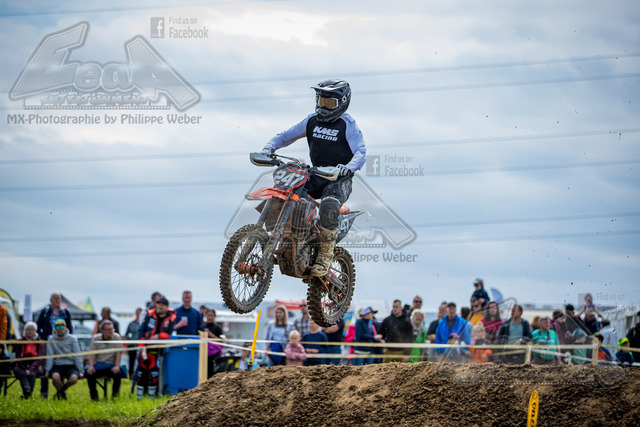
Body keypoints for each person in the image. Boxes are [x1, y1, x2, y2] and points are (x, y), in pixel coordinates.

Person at [261, 79, 366, 277]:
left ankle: (325, 254)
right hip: (316, 173)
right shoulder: (311, 121)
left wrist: (348, 167)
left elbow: (361, 152)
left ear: (342, 102)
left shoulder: (348, 125)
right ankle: (283, 241)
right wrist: (268, 149)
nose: (324, 106)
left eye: (330, 102)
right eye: (321, 101)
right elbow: (284, 136)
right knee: (285, 192)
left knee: (328, 205)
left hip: (338, 178)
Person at [136, 297, 176, 399]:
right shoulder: (150, 314)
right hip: (146, 348)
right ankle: (139, 397)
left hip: (160, 350)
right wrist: (141, 345)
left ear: (166, 307)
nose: (159, 307)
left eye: (162, 305)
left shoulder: (171, 317)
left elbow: (170, 334)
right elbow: (142, 330)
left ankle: (152, 397)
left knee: (154, 373)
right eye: (158, 304)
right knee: (141, 372)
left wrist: (159, 335)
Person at [36, 292, 73, 399]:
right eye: (55, 298)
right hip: (47, 342)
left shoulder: (65, 312)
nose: (57, 301)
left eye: (59, 299)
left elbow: (70, 327)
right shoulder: (45, 311)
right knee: (45, 367)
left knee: (60, 364)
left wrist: (67, 339)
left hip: (61, 343)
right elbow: (38, 326)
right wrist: (42, 338)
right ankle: (44, 393)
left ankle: (60, 392)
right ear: (51, 300)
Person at [85, 320, 126, 401]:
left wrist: (117, 366)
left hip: (111, 365)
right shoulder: (96, 338)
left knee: (118, 373)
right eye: (108, 330)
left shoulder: (117, 337)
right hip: (98, 365)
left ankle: (115, 396)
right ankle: (94, 397)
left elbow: (119, 353)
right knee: (88, 372)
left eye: (112, 329)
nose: (111, 331)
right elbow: (92, 353)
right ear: (102, 331)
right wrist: (91, 366)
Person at [45, 319, 82, 400]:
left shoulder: (73, 338)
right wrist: (47, 371)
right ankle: (63, 395)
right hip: (57, 365)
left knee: (73, 379)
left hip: (71, 365)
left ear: (65, 328)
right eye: (57, 327)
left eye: (62, 327)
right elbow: (50, 356)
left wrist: (80, 371)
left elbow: (77, 355)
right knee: (55, 378)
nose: (60, 329)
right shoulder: (51, 339)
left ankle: (61, 392)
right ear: (55, 329)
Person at [13, 321, 45, 399]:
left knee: (31, 374)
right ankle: (27, 391)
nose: (30, 331)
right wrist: (25, 369)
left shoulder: (39, 343)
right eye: (28, 329)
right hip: (21, 365)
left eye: (31, 329)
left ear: (35, 331)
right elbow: (18, 357)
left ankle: (27, 393)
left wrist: (30, 369)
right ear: (25, 330)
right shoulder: (20, 342)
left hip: (35, 365)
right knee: (20, 372)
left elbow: (38, 359)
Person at [124, 307, 143, 379]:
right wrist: (129, 340)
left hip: (141, 345)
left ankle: (139, 375)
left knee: (140, 361)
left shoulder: (143, 323)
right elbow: (126, 334)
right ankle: (130, 375)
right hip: (132, 345)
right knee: (131, 361)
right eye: (137, 312)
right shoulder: (131, 323)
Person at [205, 309, 224, 377]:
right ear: (206, 316)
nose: (210, 317)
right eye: (209, 315)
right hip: (204, 354)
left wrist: (211, 335)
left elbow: (221, 341)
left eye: (212, 315)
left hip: (214, 355)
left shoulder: (218, 328)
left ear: (214, 316)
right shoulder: (202, 326)